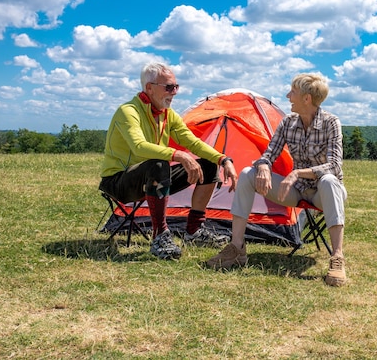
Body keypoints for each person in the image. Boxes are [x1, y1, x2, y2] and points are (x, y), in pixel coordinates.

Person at [206, 73, 348, 286]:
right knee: (246, 174)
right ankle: (237, 248)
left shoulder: (331, 123)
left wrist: (297, 173)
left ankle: (337, 258)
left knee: (328, 180)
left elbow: (335, 166)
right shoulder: (288, 122)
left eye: (293, 92)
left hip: (324, 193)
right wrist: (263, 165)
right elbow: (269, 153)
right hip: (296, 191)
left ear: (306, 98)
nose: (288, 95)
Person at [99, 62, 238, 260]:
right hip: (118, 181)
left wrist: (224, 160)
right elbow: (139, 146)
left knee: (207, 165)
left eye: (176, 87)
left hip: (151, 178)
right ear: (149, 88)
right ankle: (160, 236)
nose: (174, 92)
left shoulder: (168, 114)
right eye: (169, 87)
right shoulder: (128, 111)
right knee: (159, 163)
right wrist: (179, 155)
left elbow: (192, 142)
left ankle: (193, 231)